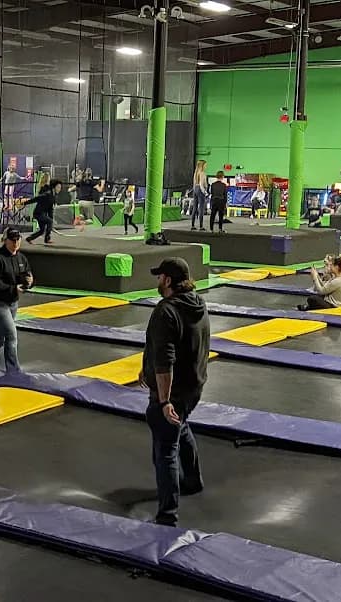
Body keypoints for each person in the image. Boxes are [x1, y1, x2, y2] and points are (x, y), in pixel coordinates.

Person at [139, 257, 210, 527]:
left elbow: (165, 359)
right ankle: (193, 481)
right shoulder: (197, 303)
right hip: (194, 385)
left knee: (165, 449)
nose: (157, 281)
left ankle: (167, 515)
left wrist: (165, 400)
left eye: (160, 277)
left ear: (168, 280)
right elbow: (173, 347)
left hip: (173, 391)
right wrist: (145, 370)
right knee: (181, 427)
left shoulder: (165, 311)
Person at [0, 227, 32, 372]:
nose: (15, 243)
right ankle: (13, 370)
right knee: (11, 335)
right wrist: (13, 288)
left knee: (0, 335)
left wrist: (29, 282)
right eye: (12, 240)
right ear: (5, 241)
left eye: (17, 239)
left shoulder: (21, 258)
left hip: (12, 302)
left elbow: (26, 275)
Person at [24, 179, 61, 245]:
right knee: (49, 221)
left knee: (42, 231)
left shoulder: (54, 197)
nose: (59, 189)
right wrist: (24, 203)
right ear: (54, 187)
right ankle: (47, 239)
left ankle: (29, 239)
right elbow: (36, 199)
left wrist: (51, 218)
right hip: (38, 213)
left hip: (43, 214)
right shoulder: (47, 194)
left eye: (60, 188)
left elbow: (50, 209)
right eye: (58, 187)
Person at [191, 160, 208, 231]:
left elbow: (194, 184)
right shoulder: (202, 173)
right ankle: (201, 226)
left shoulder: (195, 173)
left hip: (195, 189)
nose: (206, 166)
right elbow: (202, 184)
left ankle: (193, 225)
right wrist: (205, 192)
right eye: (205, 165)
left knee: (195, 207)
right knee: (201, 208)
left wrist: (195, 190)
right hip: (200, 190)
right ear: (202, 166)